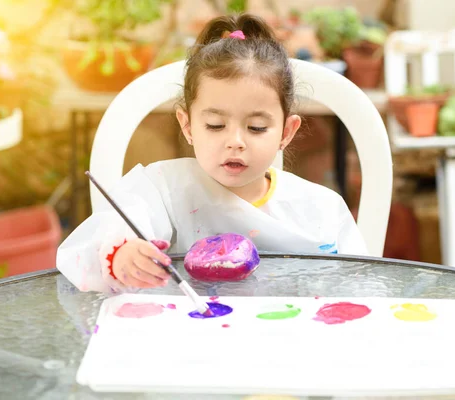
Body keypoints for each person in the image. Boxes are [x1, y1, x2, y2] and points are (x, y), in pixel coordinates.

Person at [56, 14, 367, 294]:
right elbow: (100, 238)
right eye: (216, 125)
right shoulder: (162, 188)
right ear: (188, 126)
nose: (235, 141)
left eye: (256, 127)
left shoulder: (320, 209)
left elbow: (362, 283)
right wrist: (123, 255)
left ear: (286, 132)